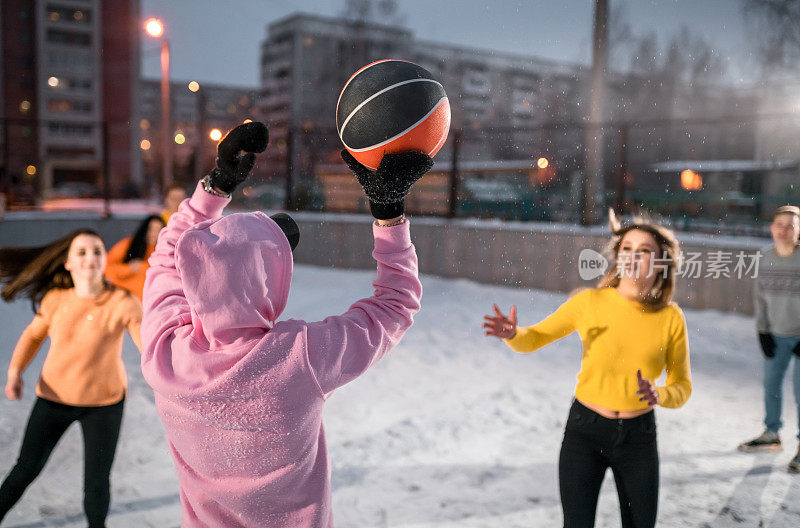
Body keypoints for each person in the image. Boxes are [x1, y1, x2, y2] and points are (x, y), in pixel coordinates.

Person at [140, 122, 429, 527]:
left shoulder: (164, 351)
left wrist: (216, 185)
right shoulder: (299, 356)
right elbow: (395, 306)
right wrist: (388, 212)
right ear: (270, 283)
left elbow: (168, 254)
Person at [483, 212, 691, 528]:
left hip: (639, 438)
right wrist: (514, 334)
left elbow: (682, 386)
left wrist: (658, 393)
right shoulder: (589, 302)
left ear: (661, 261)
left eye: (645, 250)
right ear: (617, 257)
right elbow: (536, 337)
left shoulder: (671, 318)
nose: (634, 256)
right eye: (627, 249)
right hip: (585, 432)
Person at [0, 229, 142, 527]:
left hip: (105, 405)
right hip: (54, 400)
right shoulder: (56, 299)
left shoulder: (124, 301)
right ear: (68, 263)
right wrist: (14, 373)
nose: (90, 257)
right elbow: (32, 337)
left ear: (105, 259)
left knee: (96, 482)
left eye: (97, 251)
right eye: (82, 252)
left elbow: (148, 348)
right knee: (25, 470)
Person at [738, 205, 800, 472]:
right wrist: (763, 331)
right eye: (779, 225)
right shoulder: (764, 259)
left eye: (790, 226)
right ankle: (771, 434)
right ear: (771, 228)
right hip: (775, 334)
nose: (784, 231)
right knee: (771, 386)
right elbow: (759, 299)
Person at [104, 214, 166, 301]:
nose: (154, 234)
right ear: (144, 230)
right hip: (125, 299)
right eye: (150, 229)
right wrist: (130, 268)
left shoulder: (165, 251)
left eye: (158, 230)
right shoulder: (128, 244)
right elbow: (106, 268)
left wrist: (142, 267)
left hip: (150, 302)